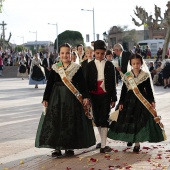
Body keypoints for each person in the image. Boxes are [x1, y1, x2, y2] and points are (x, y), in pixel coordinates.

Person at [35, 43, 96, 157]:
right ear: (59, 54)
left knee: (70, 121)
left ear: (71, 54)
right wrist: (45, 98)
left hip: (71, 99)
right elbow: (49, 85)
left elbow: (83, 85)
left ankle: (69, 146)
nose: (65, 55)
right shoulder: (55, 68)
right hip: (56, 98)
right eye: (62, 53)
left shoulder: (77, 68)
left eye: (67, 53)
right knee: (56, 121)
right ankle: (57, 148)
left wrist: (86, 97)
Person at [108, 53, 165, 153]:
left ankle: (137, 143)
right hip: (129, 101)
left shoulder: (145, 75)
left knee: (139, 121)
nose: (136, 65)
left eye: (138, 63)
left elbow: (149, 90)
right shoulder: (127, 76)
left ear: (141, 63)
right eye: (133, 63)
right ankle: (130, 138)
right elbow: (124, 91)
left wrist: (152, 101)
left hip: (141, 101)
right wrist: (121, 102)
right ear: (131, 64)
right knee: (129, 121)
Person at [86, 40, 117, 153]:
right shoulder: (89, 65)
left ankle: (103, 145)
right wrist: (86, 97)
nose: (100, 55)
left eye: (102, 53)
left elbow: (113, 82)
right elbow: (86, 82)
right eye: (97, 53)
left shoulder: (109, 65)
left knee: (104, 118)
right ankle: (102, 141)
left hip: (105, 95)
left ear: (105, 53)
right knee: (97, 119)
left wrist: (114, 98)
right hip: (93, 96)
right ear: (94, 52)